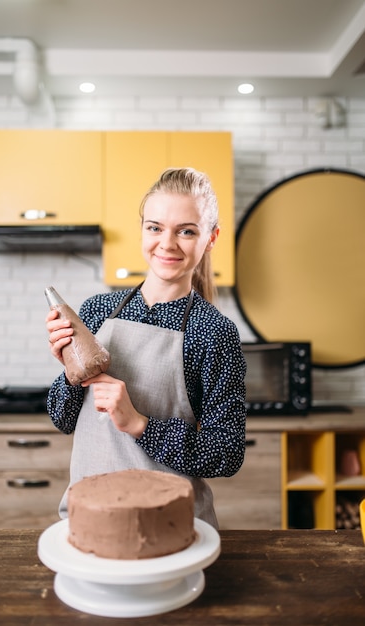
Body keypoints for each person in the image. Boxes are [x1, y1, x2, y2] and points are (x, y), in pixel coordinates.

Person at [46, 167, 246, 528]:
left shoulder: (214, 333)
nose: (167, 244)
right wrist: (70, 369)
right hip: (90, 520)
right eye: (155, 227)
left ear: (211, 239)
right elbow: (62, 419)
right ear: (142, 229)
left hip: (170, 528)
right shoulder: (96, 311)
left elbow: (226, 454)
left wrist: (140, 424)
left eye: (186, 231)